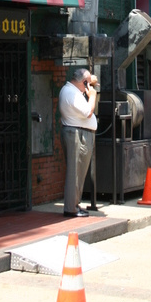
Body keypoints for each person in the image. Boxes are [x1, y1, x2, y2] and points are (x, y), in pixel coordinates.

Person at [58, 67, 98, 217]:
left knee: (78, 172)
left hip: (78, 132)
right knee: (74, 172)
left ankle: (74, 204)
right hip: (76, 133)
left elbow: (90, 79)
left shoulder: (71, 89)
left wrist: (90, 81)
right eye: (88, 83)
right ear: (84, 82)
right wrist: (93, 95)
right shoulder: (71, 93)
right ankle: (71, 208)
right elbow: (88, 112)